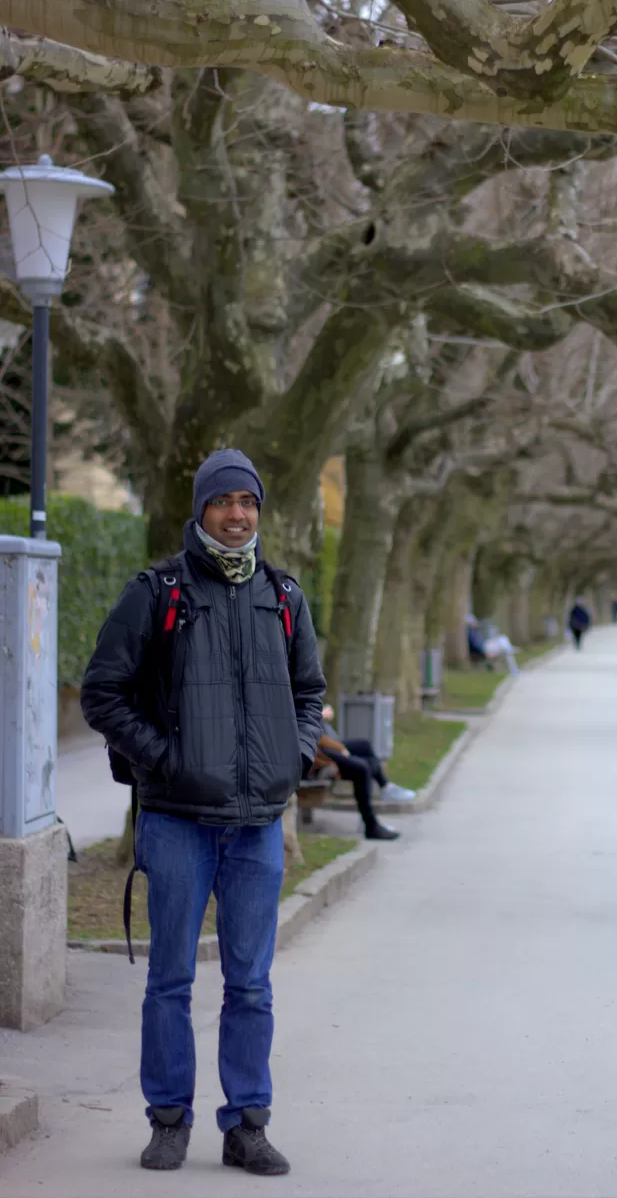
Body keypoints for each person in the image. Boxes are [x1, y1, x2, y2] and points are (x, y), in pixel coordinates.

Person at [81, 449, 326, 1178]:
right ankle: (168, 1120)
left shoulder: (283, 595)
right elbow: (102, 691)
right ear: (200, 509)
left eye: (248, 501)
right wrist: (166, 758)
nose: (237, 514)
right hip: (178, 821)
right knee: (171, 980)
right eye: (223, 501)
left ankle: (247, 1125)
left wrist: (292, 758)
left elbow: (309, 692)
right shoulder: (157, 590)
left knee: (251, 984)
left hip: (257, 826)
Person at [308, 704, 415, 839]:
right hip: (316, 756)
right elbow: (308, 730)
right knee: (362, 768)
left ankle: (385, 788)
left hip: (323, 745)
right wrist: (339, 748)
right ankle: (370, 825)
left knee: (364, 746)